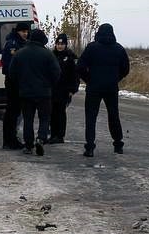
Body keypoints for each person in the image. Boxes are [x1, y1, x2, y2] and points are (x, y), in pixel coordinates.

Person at [77, 23, 130, 157]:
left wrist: (88, 79)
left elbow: (80, 66)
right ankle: (118, 144)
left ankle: (90, 147)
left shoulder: (92, 48)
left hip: (93, 87)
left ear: (98, 33)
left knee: (91, 117)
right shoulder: (119, 49)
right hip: (111, 88)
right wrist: (116, 78)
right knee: (113, 115)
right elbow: (125, 69)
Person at [6, 28, 60, 156]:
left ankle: (28, 145)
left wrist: (20, 84)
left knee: (28, 119)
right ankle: (41, 138)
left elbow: (11, 73)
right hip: (44, 93)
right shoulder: (48, 54)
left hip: (26, 93)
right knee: (45, 118)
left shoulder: (20, 53)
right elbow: (57, 72)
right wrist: (50, 85)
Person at [0, 22, 31, 149]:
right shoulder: (12, 44)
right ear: (18, 31)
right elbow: (8, 65)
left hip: (20, 82)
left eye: (26, 31)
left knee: (16, 112)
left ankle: (11, 139)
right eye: (23, 31)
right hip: (13, 82)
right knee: (12, 112)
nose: (25, 34)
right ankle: (9, 141)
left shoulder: (24, 43)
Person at [47, 34, 80, 143]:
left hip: (64, 90)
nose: (60, 46)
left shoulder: (70, 57)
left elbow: (75, 75)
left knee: (61, 112)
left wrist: (72, 89)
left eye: (62, 44)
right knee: (52, 112)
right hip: (53, 89)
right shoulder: (51, 55)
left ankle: (60, 135)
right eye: (58, 44)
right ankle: (53, 134)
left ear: (65, 45)